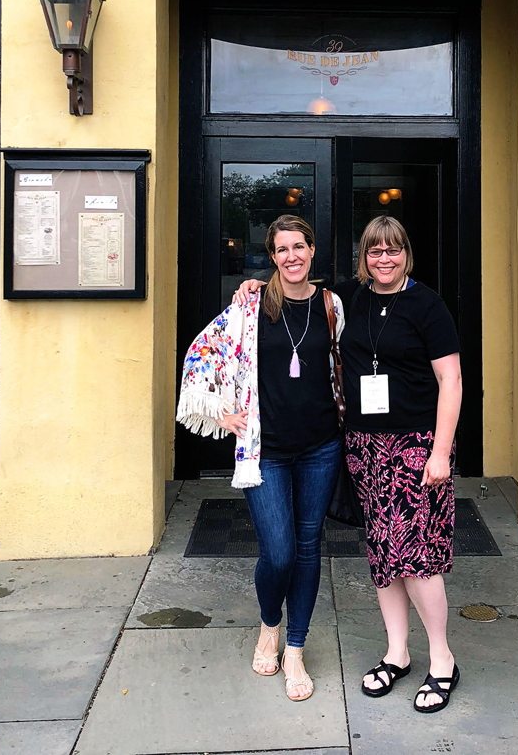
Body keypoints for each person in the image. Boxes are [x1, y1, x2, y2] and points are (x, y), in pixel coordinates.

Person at [235, 215, 462, 713]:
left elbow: (451, 380)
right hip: (366, 448)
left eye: (394, 250)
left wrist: (441, 452)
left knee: (418, 559)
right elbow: (291, 292)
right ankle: (397, 653)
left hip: (416, 448)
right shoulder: (349, 299)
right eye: (375, 251)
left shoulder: (428, 305)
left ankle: (442, 661)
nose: (385, 259)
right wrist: (252, 282)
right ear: (363, 257)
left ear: (406, 254)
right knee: (383, 558)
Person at [176, 215, 345, 702]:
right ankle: (270, 624)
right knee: (279, 552)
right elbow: (202, 352)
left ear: (313, 251)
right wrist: (218, 406)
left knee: (309, 548)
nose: (292, 256)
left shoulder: (332, 305)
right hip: (265, 452)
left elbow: (342, 369)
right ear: (271, 257)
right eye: (282, 249)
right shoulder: (250, 305)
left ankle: (294, 647)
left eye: (300, 246)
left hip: (321, 446)